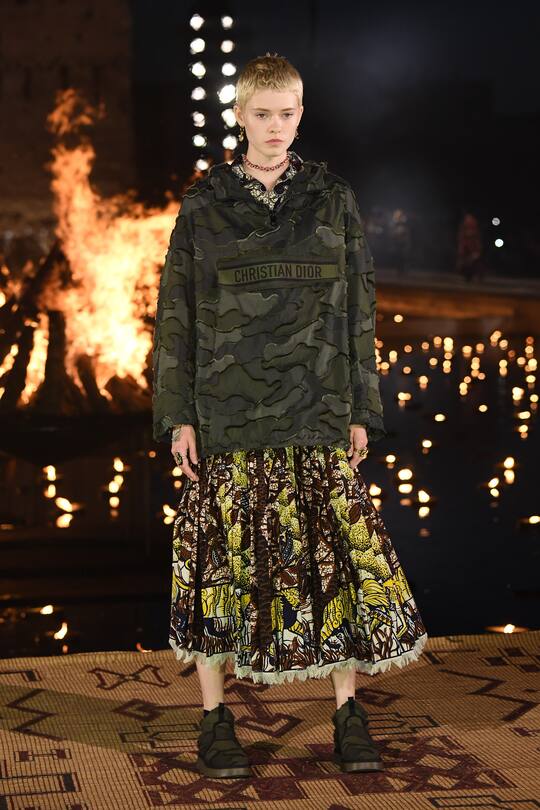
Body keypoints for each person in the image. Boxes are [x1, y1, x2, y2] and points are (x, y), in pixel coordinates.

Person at [152, 53, 428, 780]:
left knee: (335, 561)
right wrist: (177, 413)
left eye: (290, 112)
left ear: (301, 114)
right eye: (263, 114)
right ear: (239, 116)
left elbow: (358, 307)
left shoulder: (331, 197)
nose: (277, 127)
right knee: (219, 565)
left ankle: (347, 711)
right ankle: (216, 720)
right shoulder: (203, 204)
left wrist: (361, 407)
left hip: (315, 407)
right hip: (225, 413)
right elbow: (174, 316)